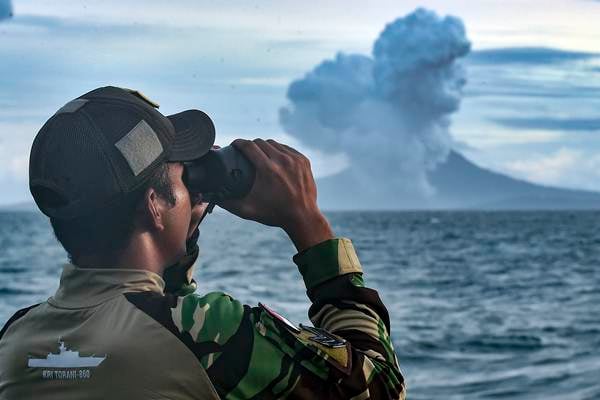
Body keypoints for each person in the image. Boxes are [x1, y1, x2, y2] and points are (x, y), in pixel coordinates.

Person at [0, 86, 406, 399]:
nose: (192, 187)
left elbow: (150, 316)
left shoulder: (16, 338)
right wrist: (308, 224)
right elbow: (380, 387)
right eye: (182, 173)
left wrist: (177, 234)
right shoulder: (209, 334)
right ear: (154, 204)